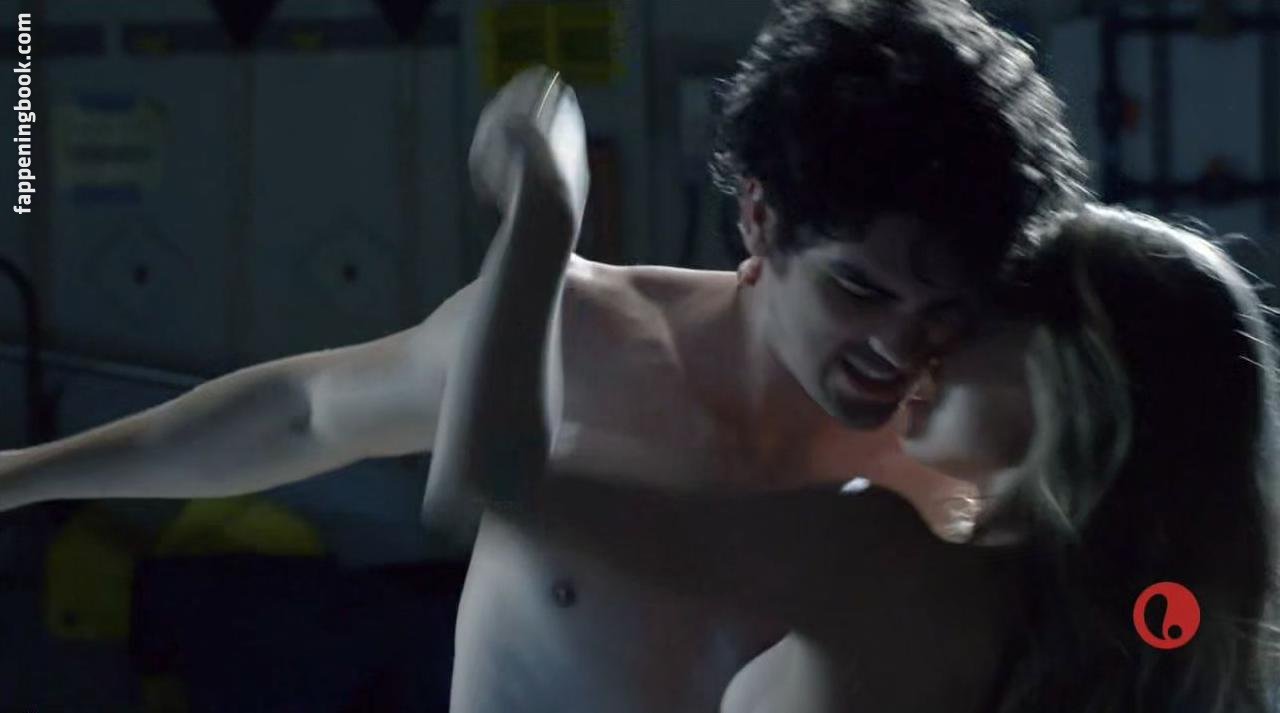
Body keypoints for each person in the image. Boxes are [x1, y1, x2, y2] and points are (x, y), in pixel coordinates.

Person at [0, 1, 1087, 711]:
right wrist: (18, 474)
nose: (897, 347)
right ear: (760, 218)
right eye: (860, 290)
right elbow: (305, 414)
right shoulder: (577, 332)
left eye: (942, 310)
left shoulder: (952, 457)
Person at [443, 130, 1280, 710]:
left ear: (1076, 379)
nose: (926, 344)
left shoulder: (888, 556)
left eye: (974, 314)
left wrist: (544, 201)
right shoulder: (1143, 646)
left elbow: (492, 475)